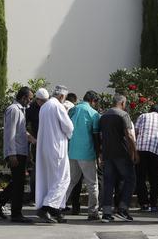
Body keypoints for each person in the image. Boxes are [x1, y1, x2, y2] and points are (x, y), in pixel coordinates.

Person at [0, 86, 35, 223]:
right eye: (30, 98)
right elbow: (9, 134)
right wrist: (12, 155)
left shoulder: (21, 110)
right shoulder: (14, 110)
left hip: (20, 152)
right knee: (18, 184)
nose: (30, 101)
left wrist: (33, 139)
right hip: (16, 153)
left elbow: (20, 132)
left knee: (17, 182)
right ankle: (16, 214)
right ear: (23, 97)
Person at [36, 85, 74, 223]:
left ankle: (56, 210)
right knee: (63, 178)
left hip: (47, 147)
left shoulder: (45, 106)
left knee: (52, 180)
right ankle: (48, 206)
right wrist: (69, 134)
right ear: (62, 96)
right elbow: (69, 127)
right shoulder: (58, 106)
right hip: (57, 148)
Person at [99, 93, 137, 223]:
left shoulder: (103, 116)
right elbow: (129, 135)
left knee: (108, 182)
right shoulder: (123, 115)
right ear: (122, 103)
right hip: (122, 153)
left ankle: (106, 212)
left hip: (107, 153)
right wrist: (134, 152)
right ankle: (122, 209)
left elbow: (101, 136)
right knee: (130, 179)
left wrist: (101, 154)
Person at [65, 90, 101, 220]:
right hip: (87, 152)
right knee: (92, 184)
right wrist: (98, 154)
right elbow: (96, 136)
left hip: (72, 151)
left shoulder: (73, 110)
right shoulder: (94, 114)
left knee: (70, 182)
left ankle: (58, 207)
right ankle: (93, 212)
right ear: (93, 101)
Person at [134, 103, 158, 212]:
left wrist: (133, 151)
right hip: (156, 151)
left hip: (141, 149)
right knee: (155, 179)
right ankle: (154, 204)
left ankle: (144, 204)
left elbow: (135, 133)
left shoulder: (143, 116)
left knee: (140, 178)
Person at [26, 88, 49, 204]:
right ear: (37, 100)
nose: (44, 103)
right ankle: (33, 196)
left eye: (46, 101)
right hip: (37, 143)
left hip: (49, 143)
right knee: (36, 170)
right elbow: (22, 127)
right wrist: (32, 139)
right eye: (42, 101)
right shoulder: (31, 109)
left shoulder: (50, 107)